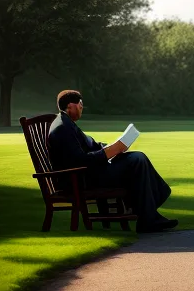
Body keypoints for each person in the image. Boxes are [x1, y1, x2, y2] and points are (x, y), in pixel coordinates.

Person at [48, 89, 177, 234]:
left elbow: (90, 146)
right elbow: (80, 160)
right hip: (83, 179)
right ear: (71, 105)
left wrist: (112, 147)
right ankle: (149, 218)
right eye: (80, 104)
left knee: (138, 158)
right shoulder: (63, 128)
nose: (82, 108)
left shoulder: (66, 123)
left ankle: (149, 217)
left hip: (89, 174)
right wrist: (109, 152)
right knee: (137, 160)